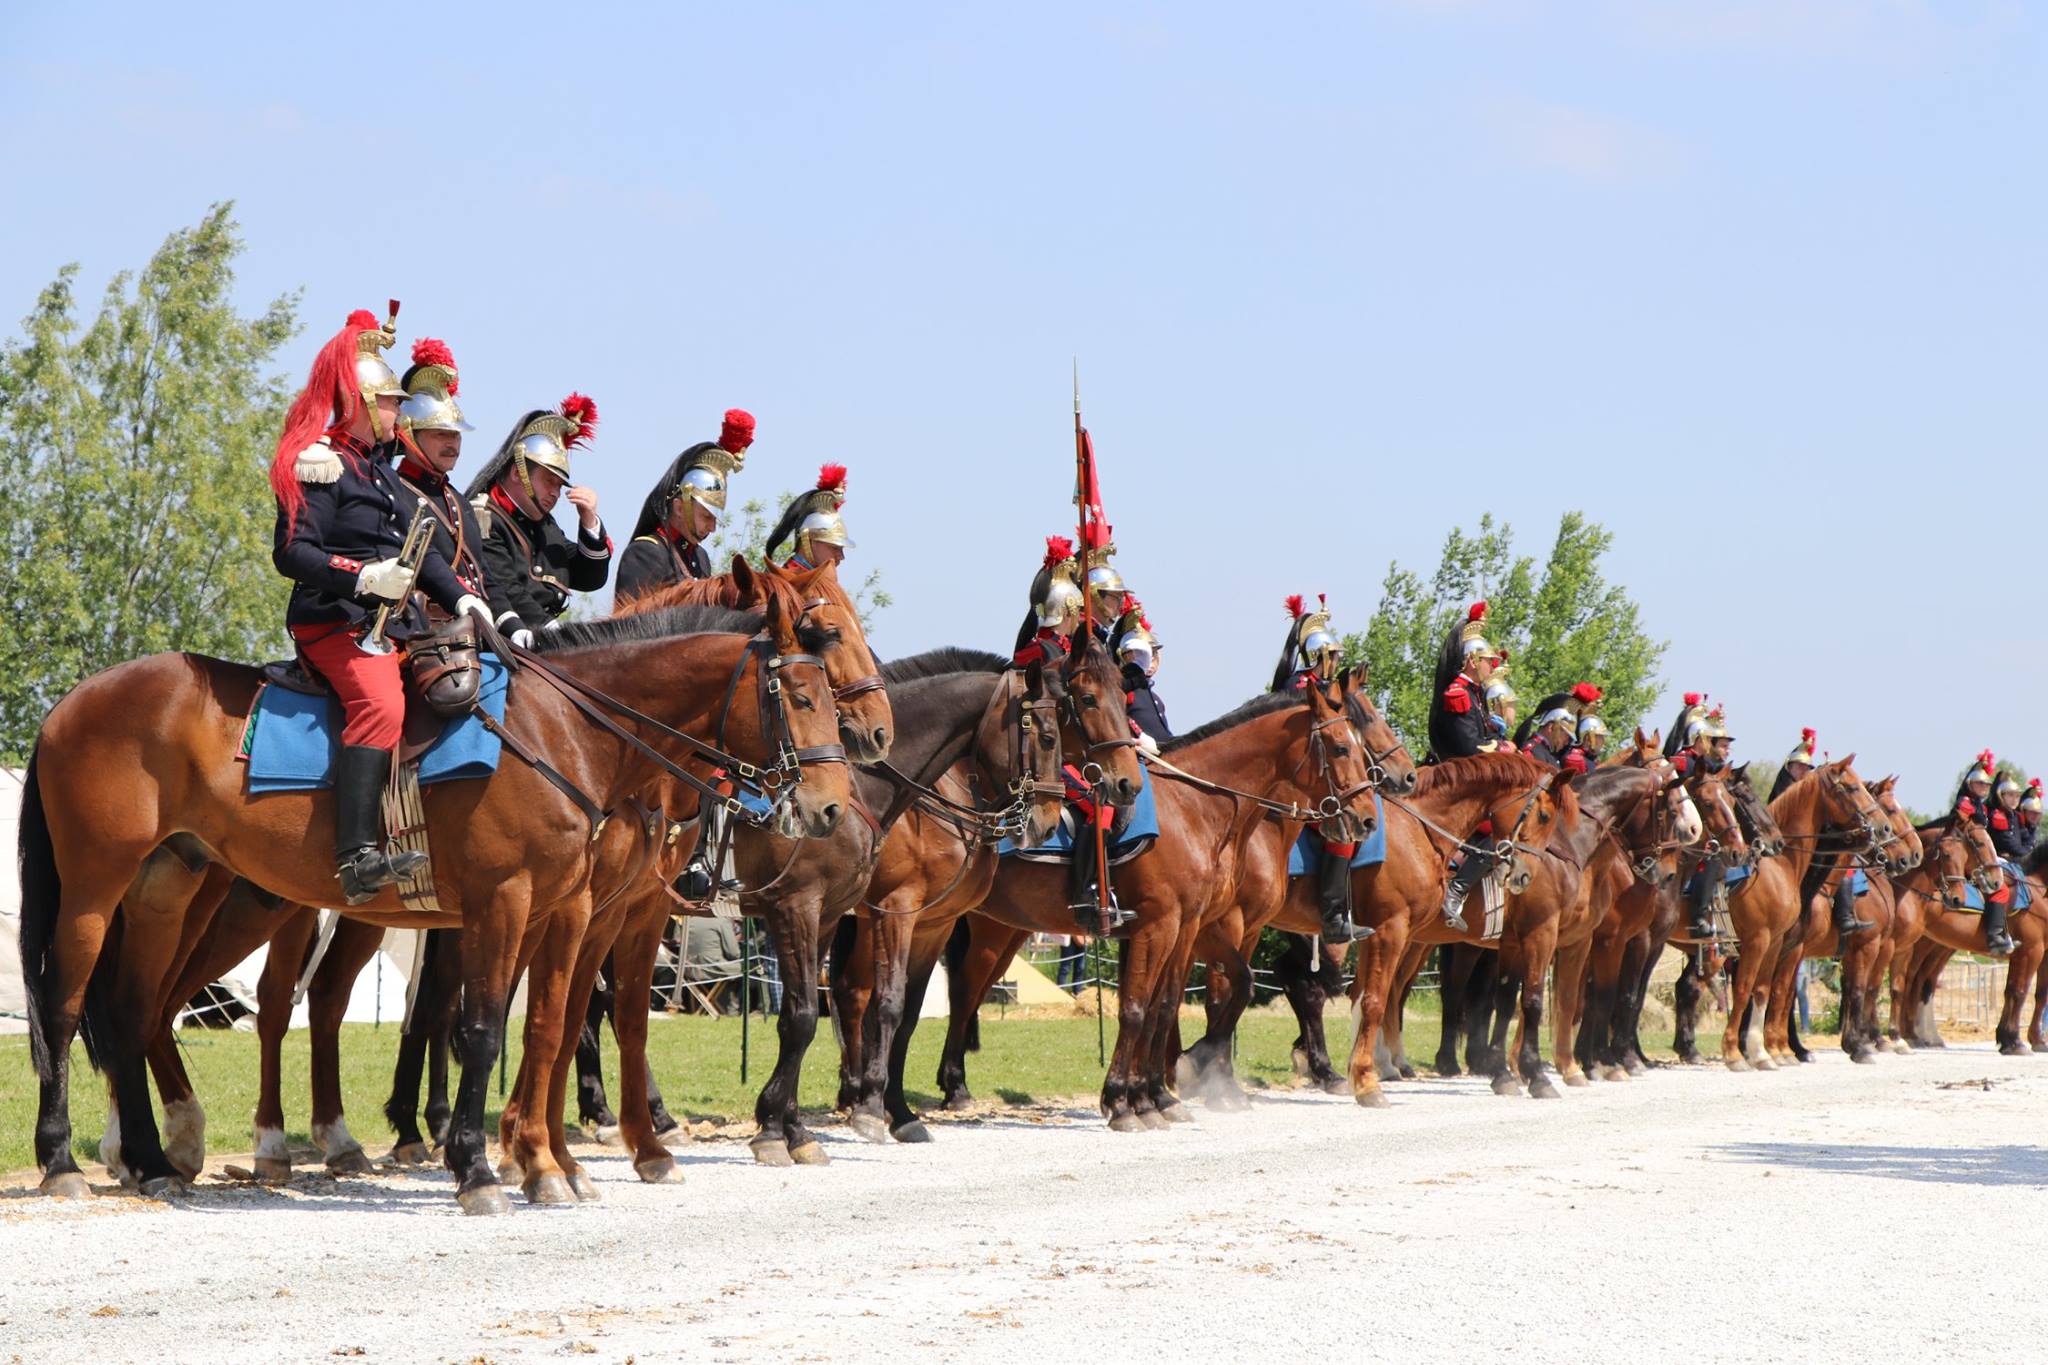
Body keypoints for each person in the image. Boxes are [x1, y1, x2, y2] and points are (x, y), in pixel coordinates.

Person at [268, 307, 488, 904]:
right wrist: (365, 576)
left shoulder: (380, 473)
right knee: (383, 704)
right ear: (363, 402)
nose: (399, 410)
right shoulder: (323, 464)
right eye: (390, 400)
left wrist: (467, 598)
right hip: (334, 621)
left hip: (397, 627)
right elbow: (292, 553)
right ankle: (357, 855)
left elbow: (425, 553)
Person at [388, 339, 515, 627]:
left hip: (473, 628)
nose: (452, 444)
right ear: (409, 435)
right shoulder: (395, 491)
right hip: (424, 630)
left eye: (455, 435)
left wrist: (511, 622)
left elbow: (481, 574)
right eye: (440, 434)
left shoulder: (458, 501)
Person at [466, 394, 609, 642]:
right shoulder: (484, 517)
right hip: (501, 638)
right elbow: (506, 588)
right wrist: (555, 633)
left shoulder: (545, 525)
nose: (555, 492)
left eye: (559, 485)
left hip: (542, 636)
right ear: (516, 472)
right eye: (548, 481)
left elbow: (589, 578)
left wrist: (589, 523)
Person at [1272, 594, 1370, 943]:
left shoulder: (1324, 688)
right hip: (1301, 782)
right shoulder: (1299, 687)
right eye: (1332, 655)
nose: (1336, 660)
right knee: (1342, 829)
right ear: (1317, 656)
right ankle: (1332, 915)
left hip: (1323, 777)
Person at [615, 410, 754, 600]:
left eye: (714, 519)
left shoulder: (700, 558)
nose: (712, 528)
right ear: (680, 507)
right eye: (706, 517)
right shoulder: (646, 552)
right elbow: (629, 624)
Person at [1428, 601, 1506, 931]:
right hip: (1459, 779)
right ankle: (1457, 890)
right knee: (1496, 827)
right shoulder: (1457, 693)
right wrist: (1501, 748)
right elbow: (1467, 747)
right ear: (1473, 661)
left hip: (1474, 777)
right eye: (1488, 660)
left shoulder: (1473, 693)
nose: (1492, 665)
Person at [765, 463, 853, 571]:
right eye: (834, 547)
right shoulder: (787, 582)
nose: (841, 556)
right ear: (809, 540)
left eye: (841, 549)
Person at [1112, 599, 1170, 750]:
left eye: (1153, 654)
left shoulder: (1155, 698)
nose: (1148, 660)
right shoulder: (1122, 690)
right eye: (1140, 654)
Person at [1770, 727, 1818, 800]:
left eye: (1807, 768)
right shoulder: (1782, 793)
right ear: (1789, 768)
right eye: (1800, 767)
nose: (1804, 771)